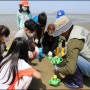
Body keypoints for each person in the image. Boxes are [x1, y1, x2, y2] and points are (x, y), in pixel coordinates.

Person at [53, 16, 90, 88]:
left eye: (60, 32)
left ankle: (77, 84)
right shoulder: (75, 28)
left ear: (65, 31)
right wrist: (58, 55)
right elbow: (63, 45)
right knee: (72, 55)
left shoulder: (74, 41)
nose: (59, 35)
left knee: (74, 59)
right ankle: (84, 73)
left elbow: (70, 69)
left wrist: (57, 68)